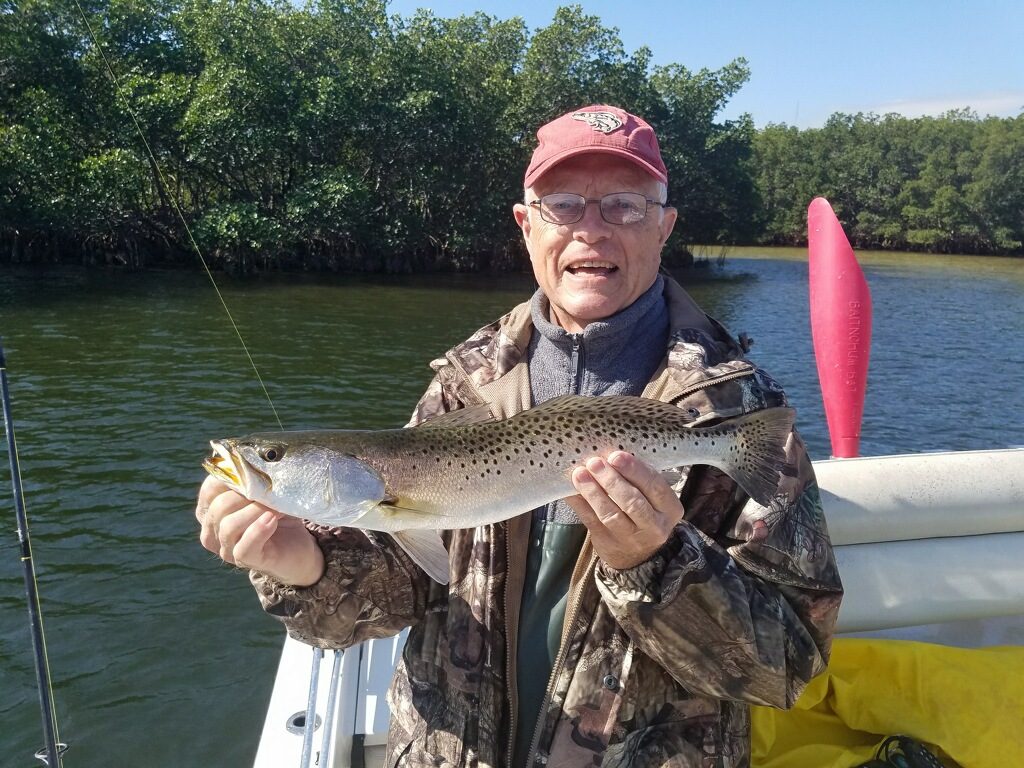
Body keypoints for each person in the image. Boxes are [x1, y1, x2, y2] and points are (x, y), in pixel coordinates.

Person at [196, 104, 843, 768]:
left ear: (664, 227)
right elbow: (409, 584)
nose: (592, 231)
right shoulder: (462, 384)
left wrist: (659, 564)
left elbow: (789, 669)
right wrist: (302, 564)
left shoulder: (736, 408)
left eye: (624, 205)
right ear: (526, 225)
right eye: (563, 205)